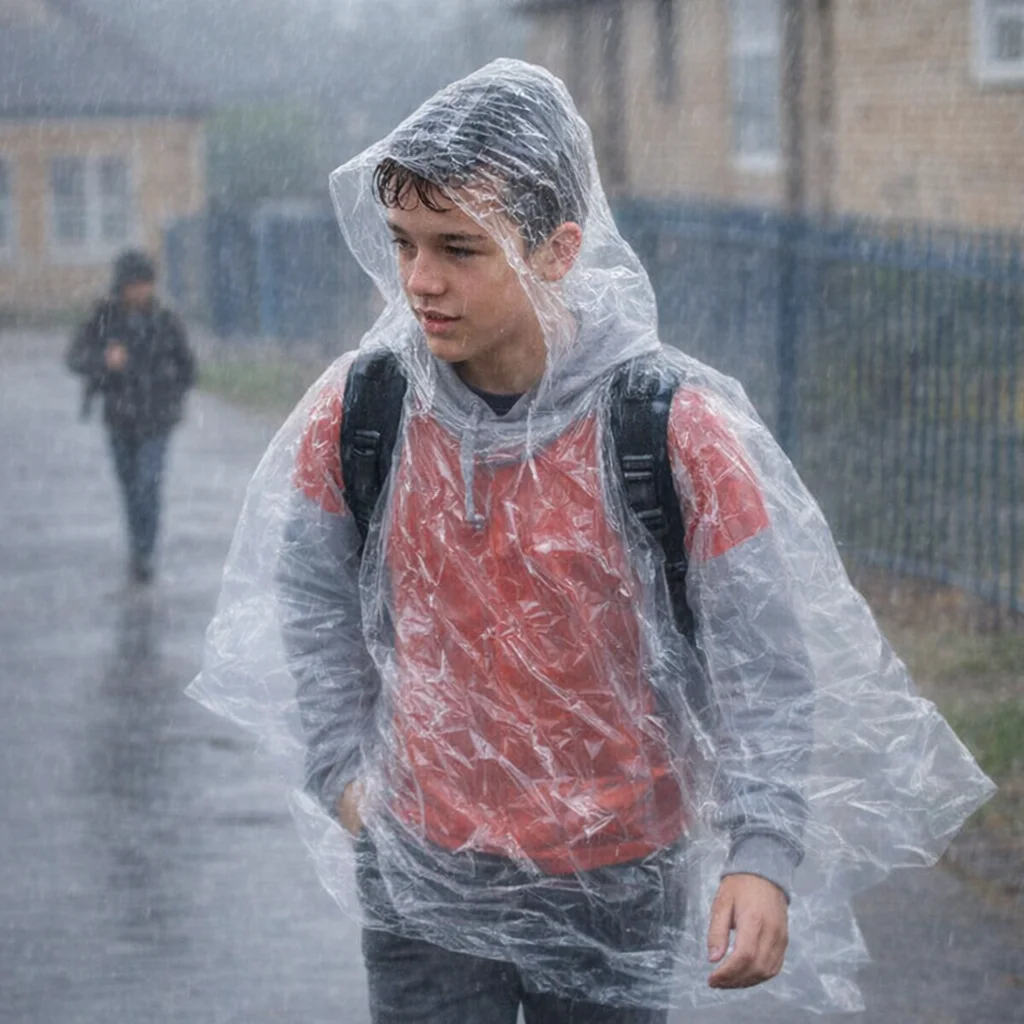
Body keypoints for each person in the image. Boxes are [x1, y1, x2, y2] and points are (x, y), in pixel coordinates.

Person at [189, 61, 992, 1020]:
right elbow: (314, 597)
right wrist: (343, 776)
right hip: (421, 870)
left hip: (618, 876)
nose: (418, 281)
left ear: (558, 248)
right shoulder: (364, 413)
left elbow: (761, 661)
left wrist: (763, 853)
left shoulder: (670, 430)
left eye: (458, 248)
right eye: (403, 243)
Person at [67, 249, 196, 583]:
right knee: (129, 487)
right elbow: (75, 358)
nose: (140, 291)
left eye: (145, 284)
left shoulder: (165, 321)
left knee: (147, 485)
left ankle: (145, 553)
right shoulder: (104, 318)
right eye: (134, 284)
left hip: (156, 421)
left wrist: (166, 388)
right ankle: (138, 547)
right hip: (119, 420)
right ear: (121, 285)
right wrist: (104, 361)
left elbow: (188, 369)